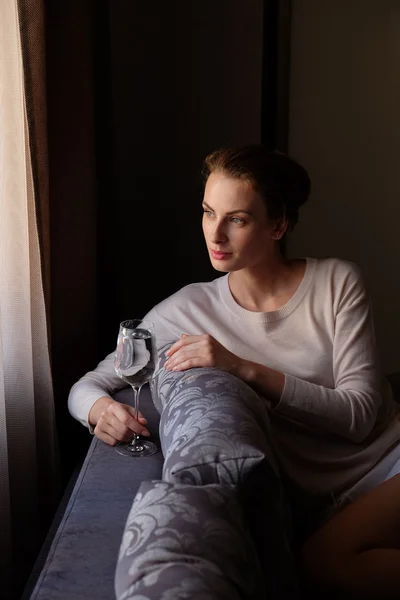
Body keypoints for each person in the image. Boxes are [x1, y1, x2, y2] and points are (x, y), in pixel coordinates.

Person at [69, 145, 400, 598]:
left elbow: (359, 417)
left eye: (237, 219)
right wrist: (100, 410)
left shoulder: (337, 283)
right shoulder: (188, 308)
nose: (215, 234)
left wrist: (242, 367)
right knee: (323, 563)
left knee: (325, 564)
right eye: (209, 213)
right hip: (330, 508)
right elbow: (88, 384)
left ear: (278, 225)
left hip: (388, 464)